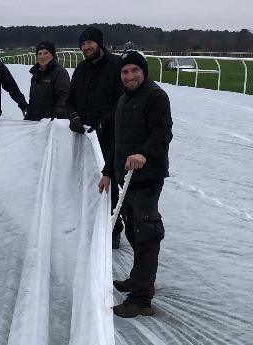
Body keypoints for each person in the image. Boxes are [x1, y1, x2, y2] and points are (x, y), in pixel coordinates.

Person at [98, 50, 172, 318]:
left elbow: (163, 133)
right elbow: (116, 141)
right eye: (125, 72)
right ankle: (135, 280)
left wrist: (144, 153)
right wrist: (108, 171)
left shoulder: (155, 97)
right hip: (124, 178)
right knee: (132, 232)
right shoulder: (124, 99)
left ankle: (142, 299)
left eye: (134, 71)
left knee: (146, 235)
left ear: (144, 72)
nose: (129, 76)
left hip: (146, 179)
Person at [66, 27, 125, 248]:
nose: (85, 47)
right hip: (83, 138)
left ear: (99, 44)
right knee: (85, 181)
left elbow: (123, 100)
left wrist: (104, 122)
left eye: (89, 43)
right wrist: (72, 116)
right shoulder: (81, 68)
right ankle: (88, 221)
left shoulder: (116, 66)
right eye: (82, 44)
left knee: (109, 184)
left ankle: (113, 228)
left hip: (108, 138)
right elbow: (69, 100)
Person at [24, 41, 70, 121]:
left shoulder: (60, 73)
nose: (42, 56)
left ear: (52, 55)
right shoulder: (35, 74)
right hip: (37, 123)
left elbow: (64, 99)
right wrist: (28, 118)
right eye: (39, 53)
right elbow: (32, 101)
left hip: (51, 124)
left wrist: (56, 121)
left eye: (46, 53)